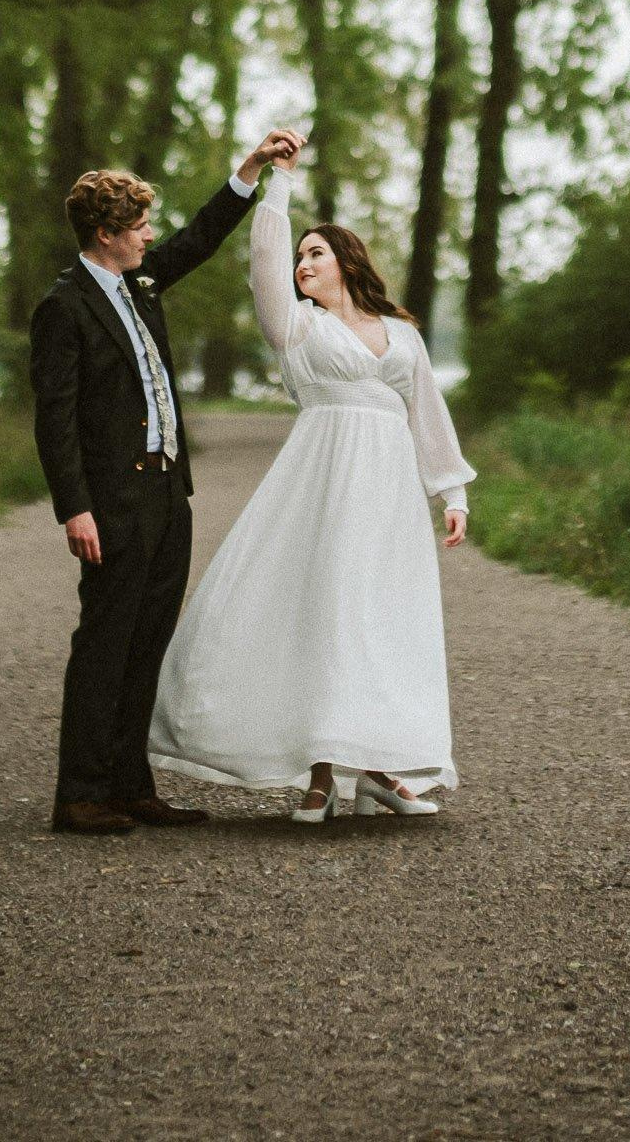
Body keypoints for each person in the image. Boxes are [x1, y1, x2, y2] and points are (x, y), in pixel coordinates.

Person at [149, 139, 475, 819]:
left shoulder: (402, 334)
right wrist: (278, 187)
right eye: (300, 256)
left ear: (349, 262)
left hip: (387, 496)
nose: (302, 263)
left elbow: (427, 412)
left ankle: (381, 770)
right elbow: (264, 262)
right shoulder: (297, 326)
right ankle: (322, 772)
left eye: (316, 253)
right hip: (323, 487)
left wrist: (451, 492)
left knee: (382, 619)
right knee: (328, 614)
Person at [29, 130, 301, 837]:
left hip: (166, 495)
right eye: (140, 226)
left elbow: (202, 237)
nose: (152, 235)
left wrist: (250, 170)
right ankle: (81, 794)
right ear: (105, 232)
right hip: (112, 503)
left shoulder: (142, 283)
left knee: (150, 640)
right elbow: (54, 420)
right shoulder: (65, 308)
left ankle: (130, 784)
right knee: (105, 643)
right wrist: (75, 508)